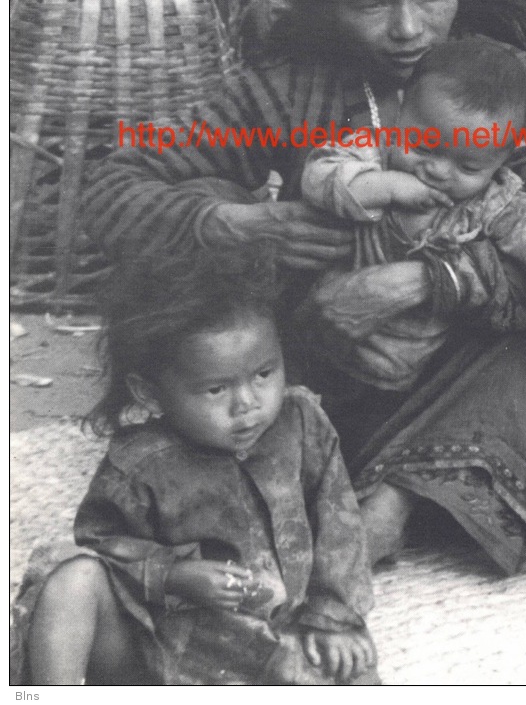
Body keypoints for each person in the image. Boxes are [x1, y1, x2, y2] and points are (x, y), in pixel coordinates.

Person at [83, 0, 526, 577]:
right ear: (324, 0)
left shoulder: (507, 84)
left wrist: (420, 284)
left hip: (454, 367)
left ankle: (388, 508)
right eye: (371, 4)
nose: (410, 29)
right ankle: (323, 469)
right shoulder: (286, 88)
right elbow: (116, 183)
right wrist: (235, 222)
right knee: (202, 247)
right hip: (316, 371)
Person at [18, 266, 378, 686]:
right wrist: (172, 575)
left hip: (272, 638)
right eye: (216, 390)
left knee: (349, 671)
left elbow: (341, 526)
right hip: (158, 645)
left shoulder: (303, 424)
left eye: (264, 374)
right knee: (70, 576)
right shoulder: (140, 463)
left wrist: (332, 618)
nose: (247, 404)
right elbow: (103, 546)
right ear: (150, 394)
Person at [300, 37, 526, 391]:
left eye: (468, 166)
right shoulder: (373, 153)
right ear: (400, 112)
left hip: (393, 374)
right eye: (423, 146)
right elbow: (318, 176)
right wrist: (384, 186)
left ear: (502, 160)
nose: (439, 171)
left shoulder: (496, 204)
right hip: (316, 332)